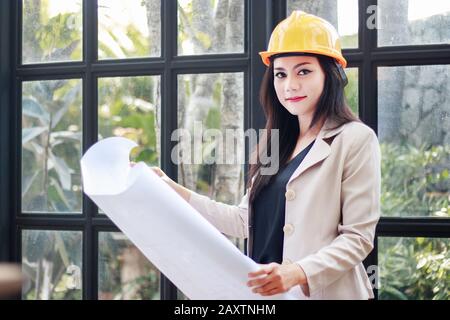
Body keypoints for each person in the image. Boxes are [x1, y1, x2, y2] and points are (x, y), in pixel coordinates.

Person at [147, 11, 381, 300]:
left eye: (304, 71)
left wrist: (296, 273)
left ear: (331, 75)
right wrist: (170, 188)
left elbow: (358, 239)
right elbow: (243, 220)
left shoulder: (355, 139)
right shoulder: (277, 143)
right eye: (281, 74)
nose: (290, 85)